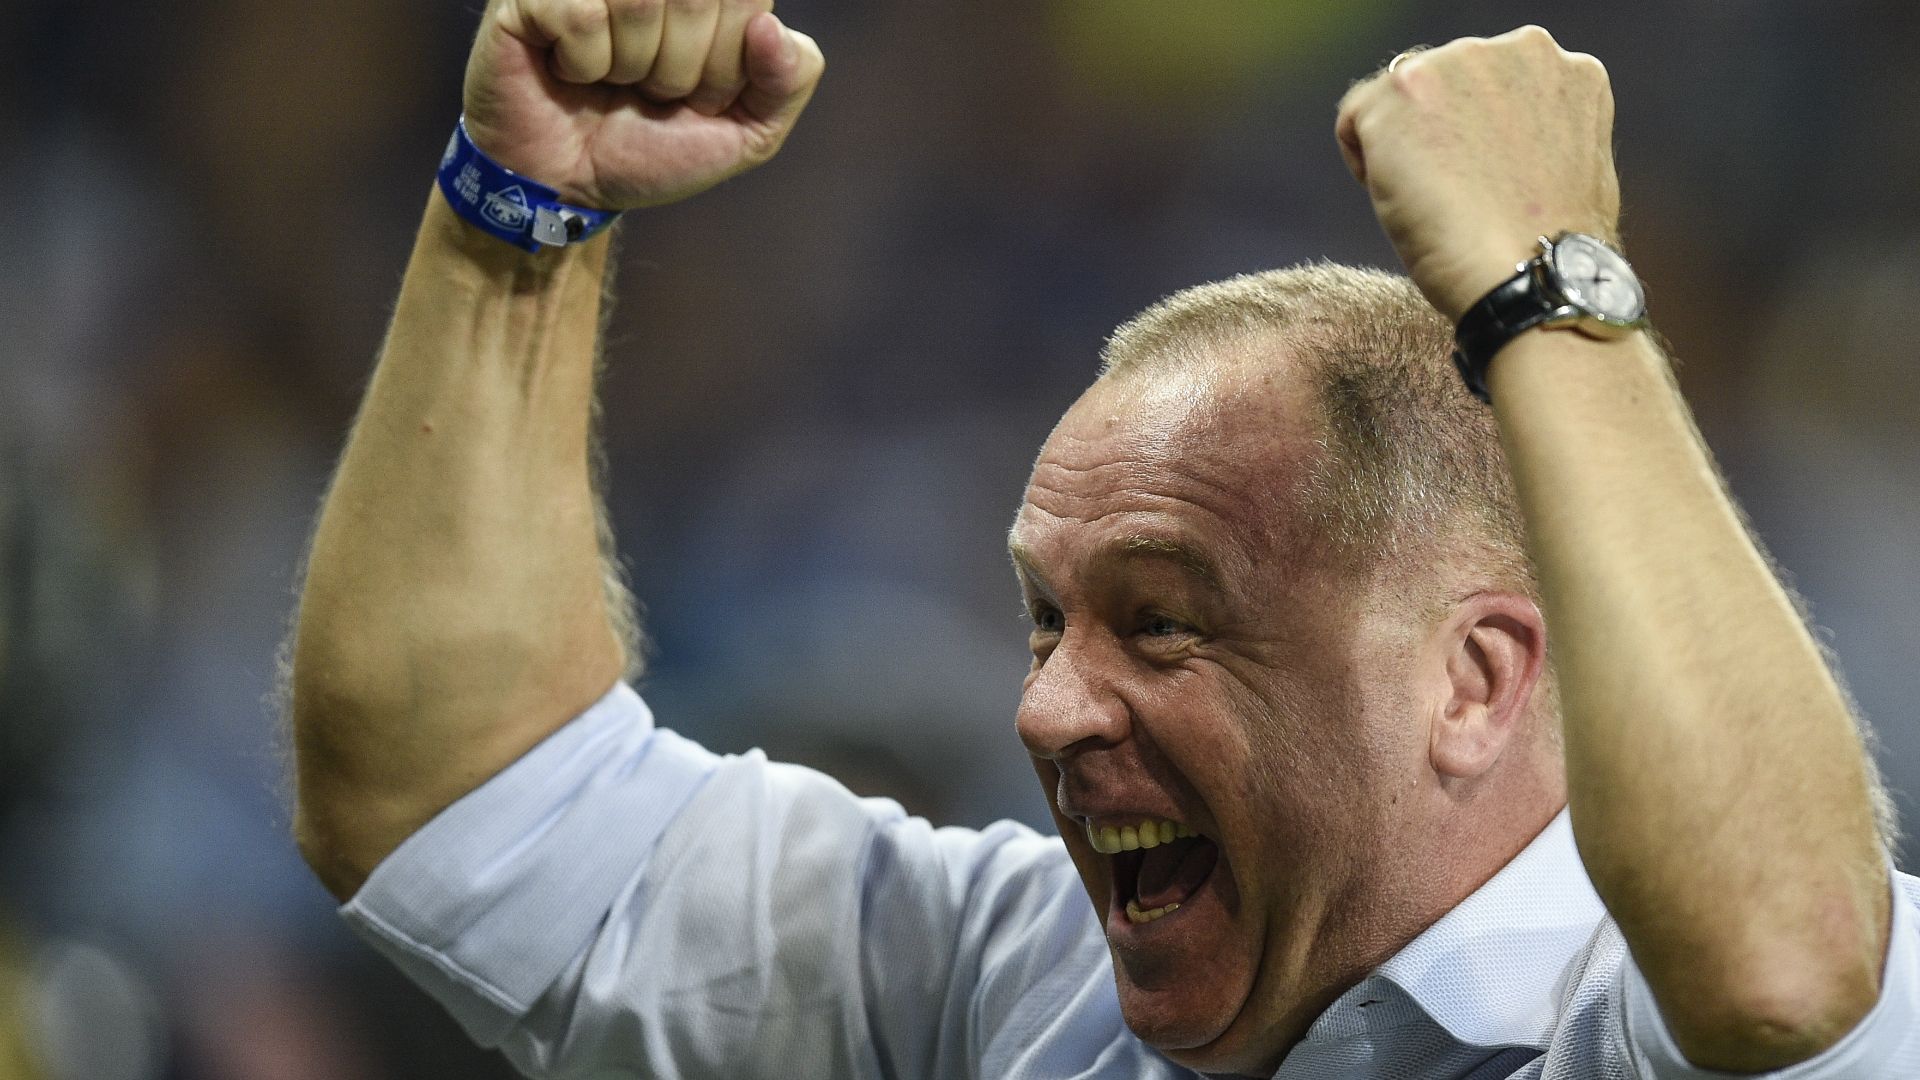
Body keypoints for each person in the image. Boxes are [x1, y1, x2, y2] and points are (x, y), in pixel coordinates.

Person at [287, 2, 1920, 1076]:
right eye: (1044, 623)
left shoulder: (1628, 1030)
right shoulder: (1004, 986)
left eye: (1163, 624)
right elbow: (454, 793)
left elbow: (1786, 965)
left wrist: (1549, 282)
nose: (1048, 710)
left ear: (1475, 681)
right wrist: (523, 204)